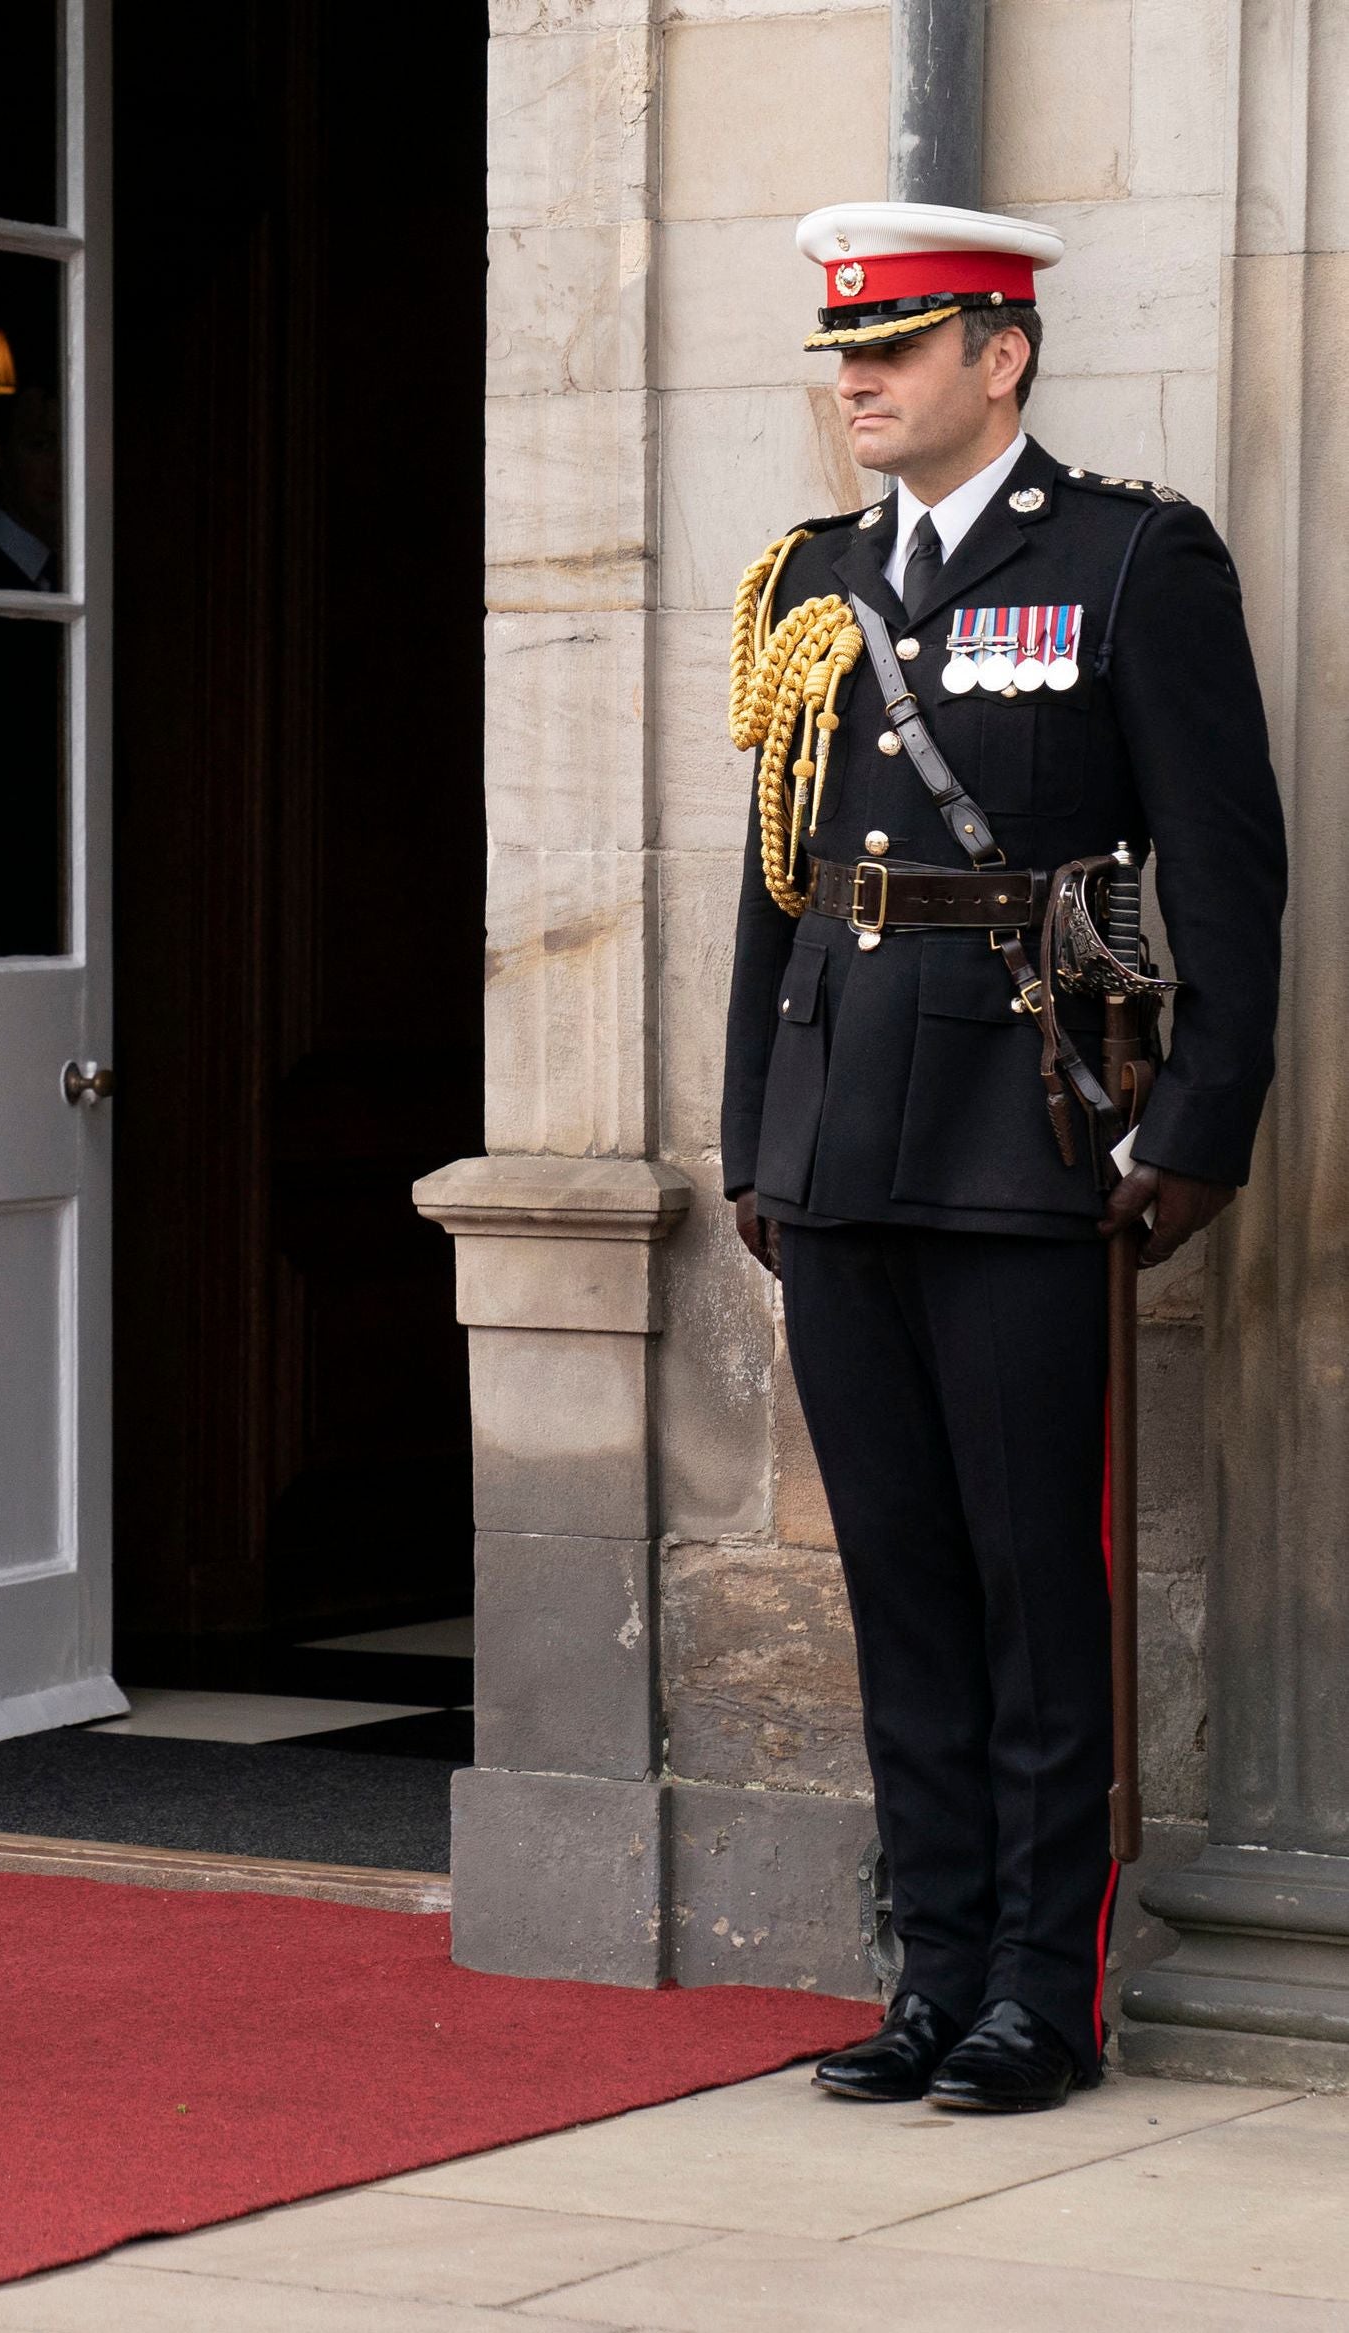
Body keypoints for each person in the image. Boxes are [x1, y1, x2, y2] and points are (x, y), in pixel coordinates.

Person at [720, 204, 1287, 2113]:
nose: (858, 378)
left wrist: (1201, 1120)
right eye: (844, 351)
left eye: (898, 345)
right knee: (899, 1577)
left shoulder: (1132, 559)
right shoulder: (814, 576)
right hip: (840, 1142)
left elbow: (1230, 861)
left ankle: (1048, 1988)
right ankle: (935, 1968)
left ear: (1003, 356)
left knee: (1038, 1576)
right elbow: (777, 890)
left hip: (1028, 1136)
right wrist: (751, 1135)